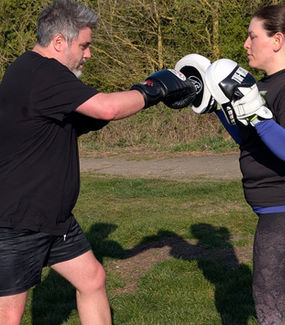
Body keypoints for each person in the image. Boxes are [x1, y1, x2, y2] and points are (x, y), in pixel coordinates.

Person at [0, 0, 196, 324]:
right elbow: (105, 107)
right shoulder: (41, 72)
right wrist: (154, 88)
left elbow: (79, 122)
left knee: (92, 279)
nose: (88, 54)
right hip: (18, 220)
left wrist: (143, 100)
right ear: (59, 42)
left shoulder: (36, 73)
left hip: (54, 218)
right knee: (8, 315)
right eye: (85, 45)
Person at [207, 4, 285, 324]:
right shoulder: (262, 86)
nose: (245, 44)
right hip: (278, 205)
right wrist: (215, 104)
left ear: (276, 41)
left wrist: (257, 114)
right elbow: (251, 140)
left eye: (252, 36)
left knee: (266, 296)